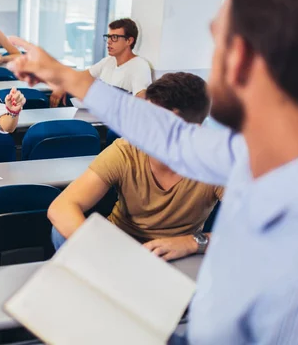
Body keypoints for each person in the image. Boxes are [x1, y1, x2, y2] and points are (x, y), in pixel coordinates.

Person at [7, 0, 298, 342]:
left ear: (241, 58)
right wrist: (62, 74)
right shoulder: (243, 155)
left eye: (216, 41)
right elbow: (170, 136)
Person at [49, 72, 223, 260]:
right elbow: (61, 207)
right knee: (60, 231)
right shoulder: (126, 150)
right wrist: (105, 252)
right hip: (117, 246)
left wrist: (192, 242)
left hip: (176, 255)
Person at [50, 18, 152, 107]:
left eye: (114, 37)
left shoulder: (139, 65)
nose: (109, 41)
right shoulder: (109, 61)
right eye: (108, 36)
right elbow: (81, 77)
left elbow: (141, 98)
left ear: (129, 41)